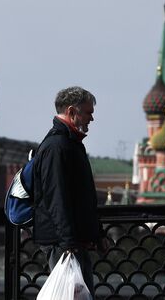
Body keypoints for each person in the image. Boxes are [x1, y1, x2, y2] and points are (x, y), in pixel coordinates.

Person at [32, 86, 108, 297]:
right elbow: (56, 198)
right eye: (88, 113)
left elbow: (81, 197)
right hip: (64, 243)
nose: (91, 119)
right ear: (72, 112)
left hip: (73, 241)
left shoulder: (69, 143)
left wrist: (97, 233)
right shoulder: (57, 146)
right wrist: (67, 242)